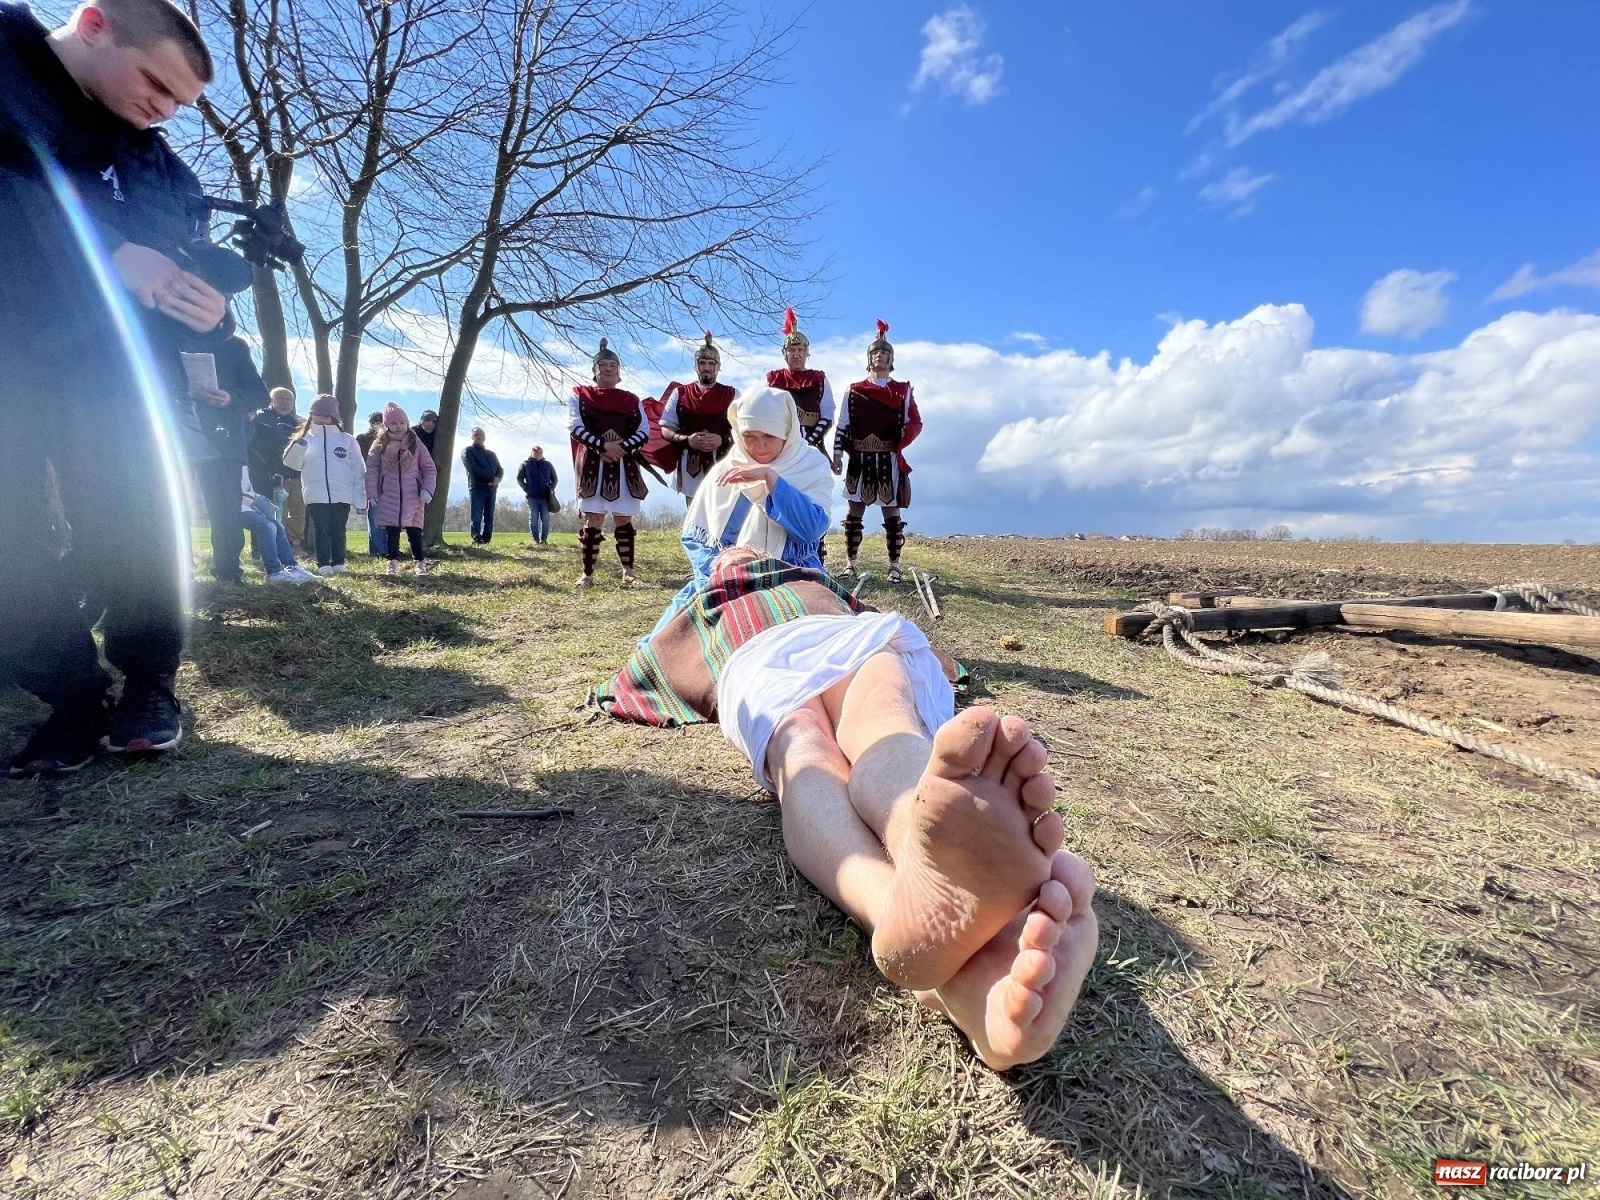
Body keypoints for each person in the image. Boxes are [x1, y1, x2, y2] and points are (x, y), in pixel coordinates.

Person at [600, 548, 1098, 1070]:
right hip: (759, 658)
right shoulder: (699, 600)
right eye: (728, 550)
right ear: (712, 566)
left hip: (845, 639)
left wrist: (948, 663)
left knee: (877, 718)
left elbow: (644, 671)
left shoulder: (813, 578)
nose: (741, 550)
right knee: (805, 747)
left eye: (750, 547)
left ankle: (926, 892)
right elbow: (648, 662)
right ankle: (952, 955)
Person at [1, 0, 231, 770]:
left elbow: (183, 252)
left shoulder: (151, 158)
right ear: (94, 24)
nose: (162, 111)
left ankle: (148, 678)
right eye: (156, 85)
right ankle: (67, 693)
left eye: (179, 104)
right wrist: (102, 251)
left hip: (107, 366)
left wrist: (208, 310)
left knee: (131, 509)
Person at [651, 385, 830, 634]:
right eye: (750, 436)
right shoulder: (725, 470)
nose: (759, 447)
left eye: (769, 436)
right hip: (723, 580)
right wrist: (717, 571)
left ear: (786, 433)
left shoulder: (810, 466)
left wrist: (772, 480)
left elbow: (811, 531)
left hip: (791, 576)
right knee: (668, 640)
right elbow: (695, 536)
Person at [834, 320, 921, 583]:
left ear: (891, 359)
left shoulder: (901, 391)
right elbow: (842, 425)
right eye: (874, 353)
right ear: (868, 359)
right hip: (859, 459)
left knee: (892, 515)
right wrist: (837, 454)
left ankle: (894, 565)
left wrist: (900, 441)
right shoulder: (854, 390)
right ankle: (850, 564)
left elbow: (914, 422)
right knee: (853, 514)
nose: (879, 356)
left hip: (887, 459)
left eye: (884, 353)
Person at [568, 337, 649, 587]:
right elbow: (574, 426)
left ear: (619, 372)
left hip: (624, 464)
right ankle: (587, 575)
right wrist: (603, 446)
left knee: (624, 518)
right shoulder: (580, 395)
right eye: (603, 364)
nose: (608, 368)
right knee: (594, 518)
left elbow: (643, 431)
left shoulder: (632, 399)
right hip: (594, 464)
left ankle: (629, 572)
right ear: (595, 370)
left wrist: (620, 448)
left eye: (613, 365)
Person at [188, 336, 268, 585]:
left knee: (225, 509)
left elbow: (259, 394)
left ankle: (228, 571)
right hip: (169, 435)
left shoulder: (232, 346)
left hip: (220, 442)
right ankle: (168, 571)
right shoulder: (161, 337)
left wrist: (231, 398)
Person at [767, 308, 837, 560]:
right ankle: (780, 550)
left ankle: (815, 550)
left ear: (807, 353)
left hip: (811, 447)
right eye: (792, 350)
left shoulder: (819, 379)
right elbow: (768, 413)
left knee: (812, 495)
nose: (796, 355)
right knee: (781, 493)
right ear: (785, 353)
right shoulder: (774, 379)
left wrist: (808, 440)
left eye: (800, 351)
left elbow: (827, 414)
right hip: (782, 448)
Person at [282, 394, 366, 575]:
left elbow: (358, 469)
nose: (319, 418)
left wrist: (360, 500)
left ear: (334, 417)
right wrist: (298, 447)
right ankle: (323, 564)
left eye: (324, 415)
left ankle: (338, 562)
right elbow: (291, 464)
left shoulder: (347, 440)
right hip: (315, 493)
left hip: (342, 494)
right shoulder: (305, 438)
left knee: (338, 528)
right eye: (316, 414)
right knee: (321, 528)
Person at [658, 331, 736, 502]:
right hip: (690, 467)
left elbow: (744, 430)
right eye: (702, 363)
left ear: (718, 366)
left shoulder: (732, 394)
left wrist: (722, 440)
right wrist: (687, 440)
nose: (706, 367)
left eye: (711, 363)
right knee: (695, 520)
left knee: (723, 519)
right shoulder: (680, 393)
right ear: (696, 366)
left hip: (724, 463)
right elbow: (665, 428)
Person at [365, 403, 436, 576]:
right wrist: (372, 493)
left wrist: (427, 489)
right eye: (394, 423)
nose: (399, 427)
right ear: (386, 425)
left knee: (415, 532)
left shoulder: (415, 443)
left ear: (407, 423)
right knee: (392, 532)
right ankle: (392, 563)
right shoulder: (379, 444)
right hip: (388, 494)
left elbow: (429, 468)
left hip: (413, 495)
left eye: (402, 423)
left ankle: (420, 563)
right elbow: (372, 469)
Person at [249, 386, 306, 553]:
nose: (285, 402)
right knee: (268, 512)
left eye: (289, 399)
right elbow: (254, 446)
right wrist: (264, 468)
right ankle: (261, 548)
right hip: (268, 475)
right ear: (272, 400)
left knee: (297, 512)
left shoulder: (299, 423)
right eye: (280, 398)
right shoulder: (260, 418)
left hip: (295, 475)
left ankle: (295, 545)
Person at [237, 468, 317, 586]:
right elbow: (236, 490)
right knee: (267, 527)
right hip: (235, 506)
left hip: (247, 504)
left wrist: (259, 500)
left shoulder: (242, 464)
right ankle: (273, 573)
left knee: (277, 525)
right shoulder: (234, 461)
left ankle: (291, 567)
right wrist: (258, 500)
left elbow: (247, 488)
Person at [461, 426, 503, 544]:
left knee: (489, 516)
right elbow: (473, 469)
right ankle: (476, 538)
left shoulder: (491, 454)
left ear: (485, 437)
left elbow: (500, 469)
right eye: (476, 434)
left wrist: (497, 479)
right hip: (477, 488)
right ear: (472, 437)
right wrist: (491, 478)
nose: (479, 436)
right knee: (477, 515)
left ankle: (487, 538)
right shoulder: (468, 451)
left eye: (481, 434)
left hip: (492, 489)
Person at [516, 444, 558, 545]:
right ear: (531, 452)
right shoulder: (526, 464)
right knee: (533, 518)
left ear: (542, 453)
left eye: (539, 451)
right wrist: (526, 489)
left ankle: (544, 539)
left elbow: (555, 478)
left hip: (545, 496)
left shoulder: (548, 464)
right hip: (532, 496)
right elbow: (519, 478)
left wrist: (551, 488)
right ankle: (535, 539)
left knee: (545, 518)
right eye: (535, 451)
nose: (537, 453)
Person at [356, 411, 384, 556]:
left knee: (388, 518)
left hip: (388, 483)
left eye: (382, 420)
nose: (379, 423)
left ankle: (388, 548)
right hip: (371, 481)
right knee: (375, 517)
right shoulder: (363, 439)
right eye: (376, 420)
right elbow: (362, 461)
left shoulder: (390, 439)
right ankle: (377, 550)